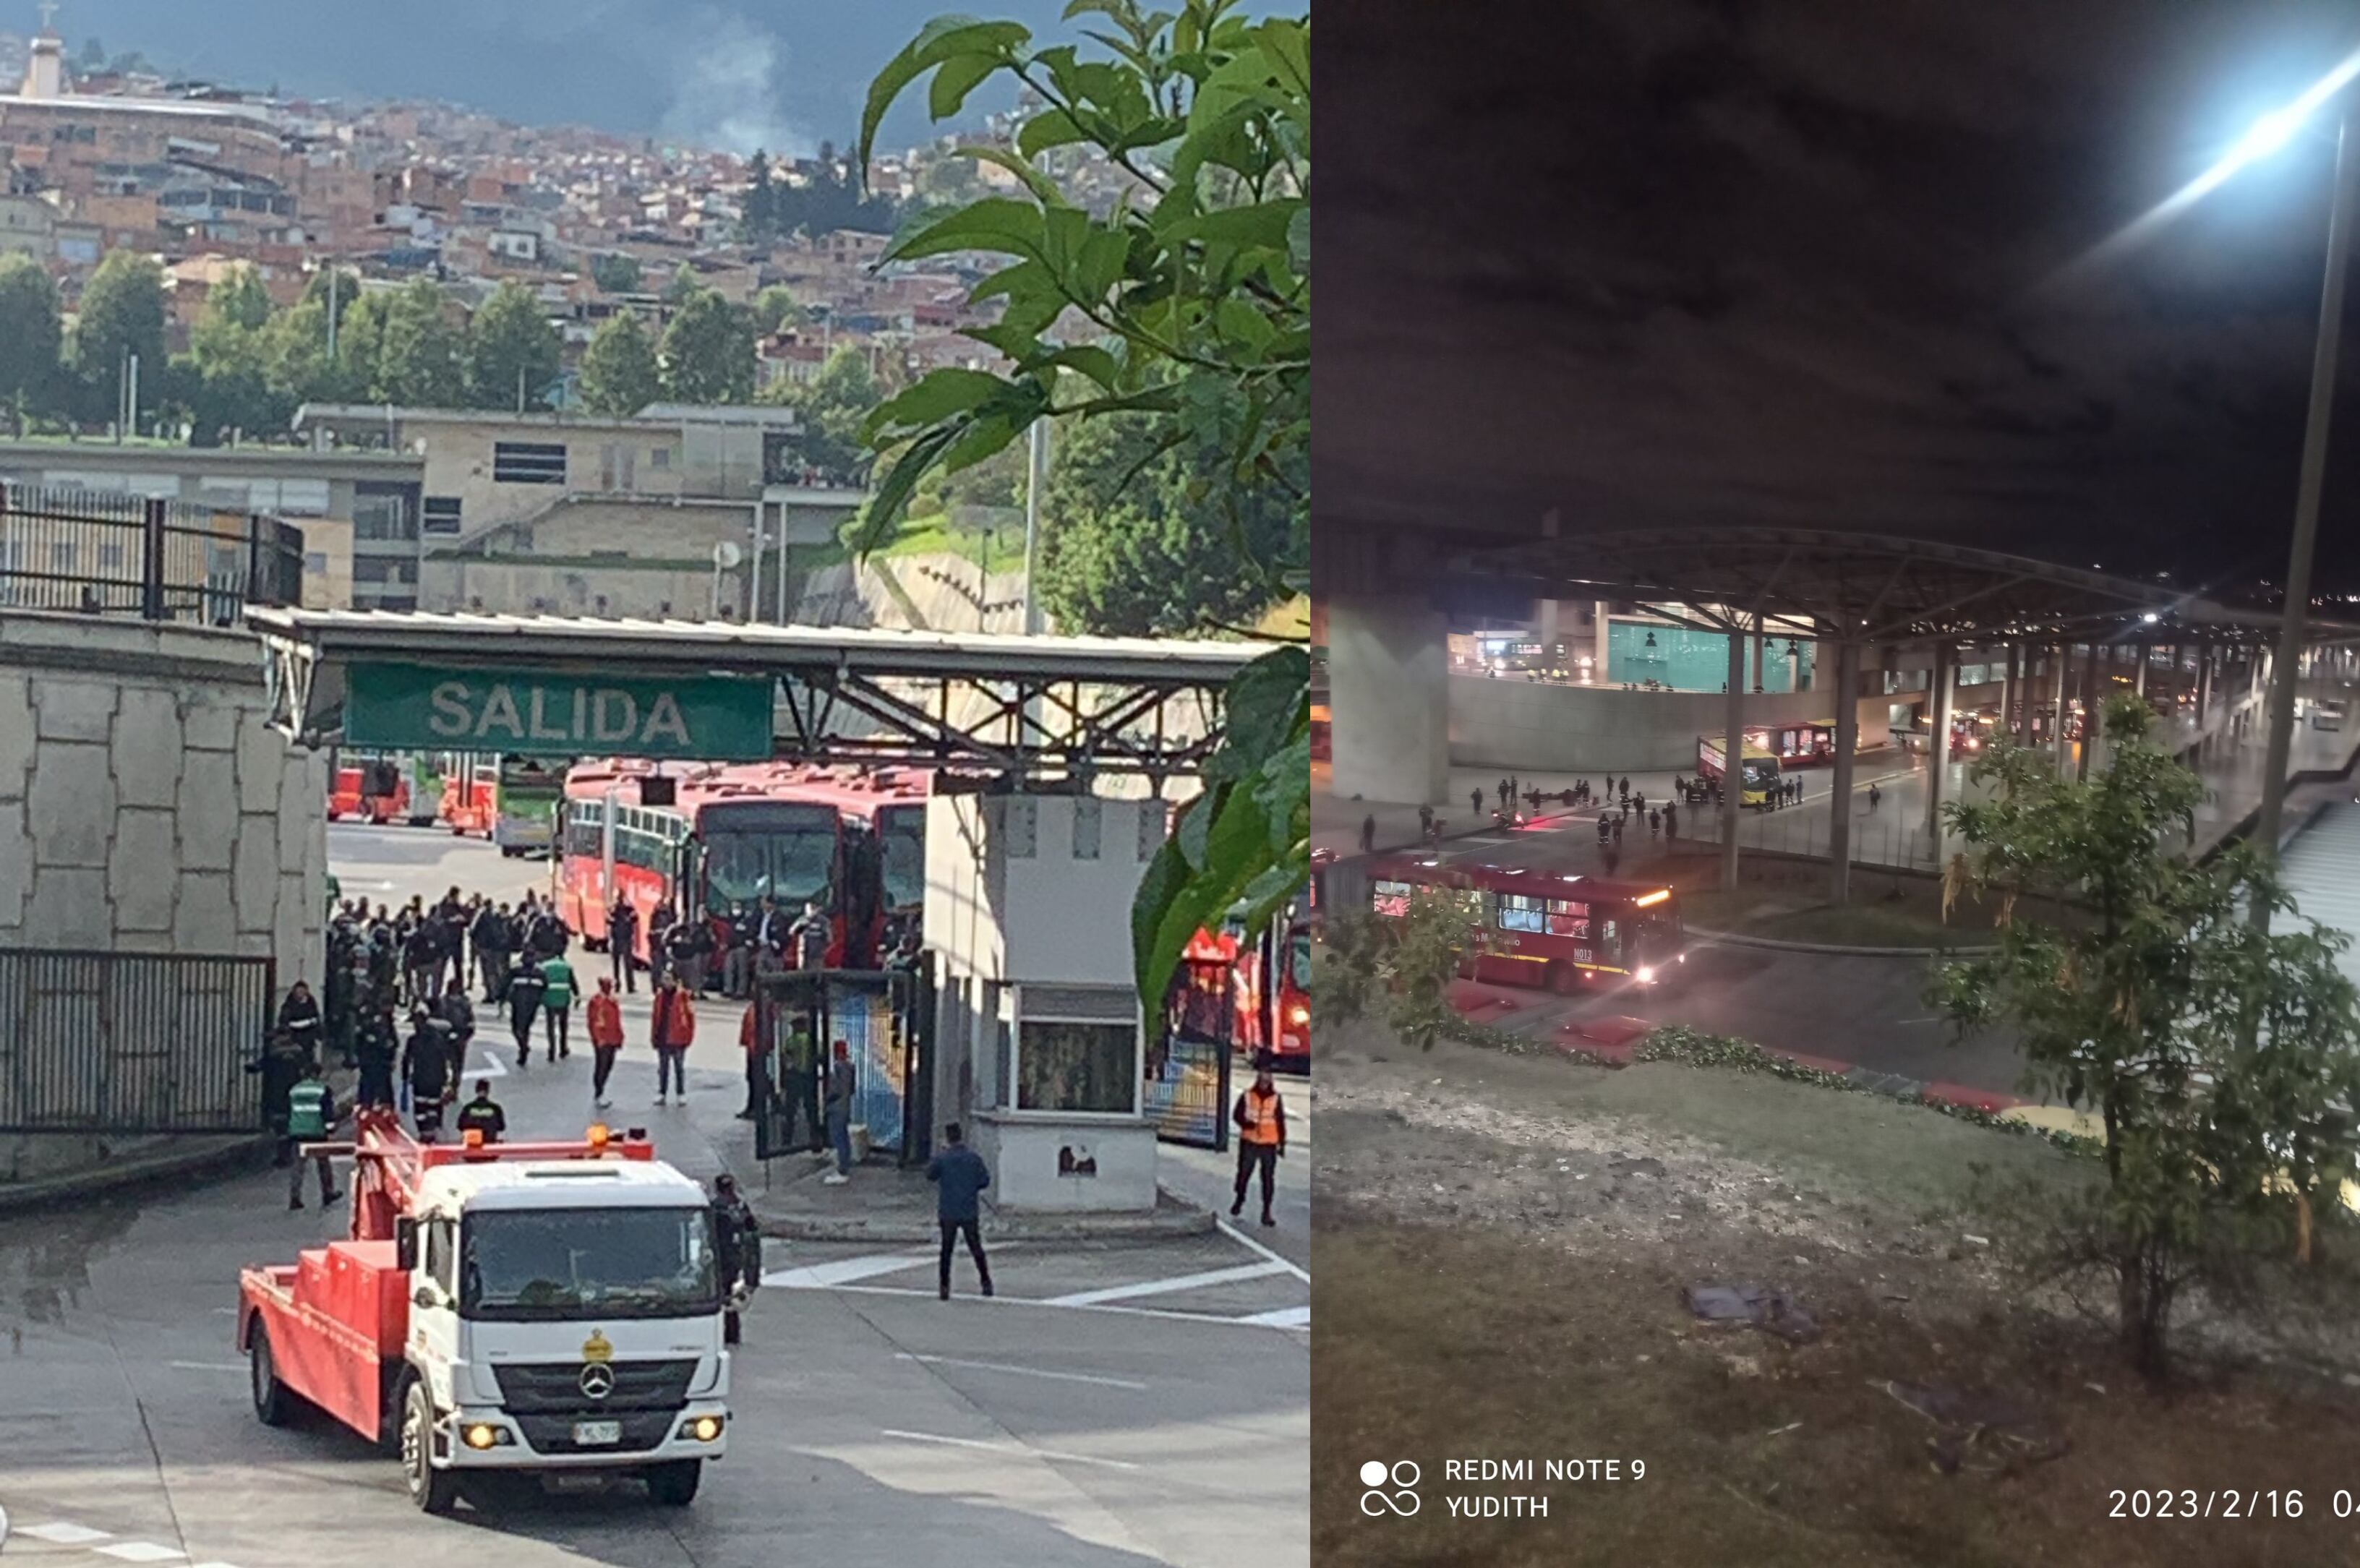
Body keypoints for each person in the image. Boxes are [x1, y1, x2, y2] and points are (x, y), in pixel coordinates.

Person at [925, 1121, 995, 1301]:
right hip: (969, 1209)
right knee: (976, 1248)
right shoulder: (973, 1158)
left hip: (948, 1210)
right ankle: (986, 1282)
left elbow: (930, 1175)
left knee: (946, 1250)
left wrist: (939, 1154)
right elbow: (985, 1181)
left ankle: (944, 1287)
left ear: (948, 1138)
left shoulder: (943, 1158)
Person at [1231, 1057, 1288, 1227]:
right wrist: (1247, 1124)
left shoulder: (1276, 1099)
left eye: (1267, 1079)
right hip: (1249, 1141)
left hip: (1269, 1144)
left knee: (1268, 1179)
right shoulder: (1247, 1096)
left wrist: (1282, 1144)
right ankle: (1240, 1199)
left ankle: (1267, 1212)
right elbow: (1237, 1115)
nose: (1265, 1082)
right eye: (1262, 1079)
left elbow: (1280, 1121)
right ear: (1258, 1079)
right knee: (1243, 1175)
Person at [709, 1173, 761, 1345]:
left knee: (721, 1297)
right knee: (733, 1297)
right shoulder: (740, 1205)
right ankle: (733, 1334)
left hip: (722, 1257)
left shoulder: (715, 1207)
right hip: (739, 1257)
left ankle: (723, 1334)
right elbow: (752, 1229)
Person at [283, 1060, 342, 1210]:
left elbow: (289, 1111)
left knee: (297, 1166)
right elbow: (327, 1112)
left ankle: (295, 1197)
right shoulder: (322, 1089)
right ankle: (327, 1193)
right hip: (316, 1132)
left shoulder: (294, 1090)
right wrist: (330, 1130)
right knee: (323, 1164)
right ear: (317, 1074)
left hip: (297, 1132)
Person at [403, 1003, 453, 1141]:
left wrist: (405, 1078)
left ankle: (425, 1133)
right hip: (434, 1081)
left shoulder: (414, 1041)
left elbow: (406, 1061)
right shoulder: (439, 1039)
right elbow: (447, 1060)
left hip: (423, 1081)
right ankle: (430, 1133)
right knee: (431, 1108)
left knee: (423, 1109)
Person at [651, 970, 696, 1105]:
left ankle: (681, 1092)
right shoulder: (659, 996)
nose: (666, 982)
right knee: (663, 1067)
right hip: (663, 1036)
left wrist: (688, 1036)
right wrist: (654, 1036)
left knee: (679, 1067)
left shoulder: (683, 996)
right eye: (664, 979)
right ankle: (662, 1092)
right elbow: (655, 1017)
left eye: (668, 979)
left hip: (678, 1037)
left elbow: (690, 1018)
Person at [587, 976, 625, 1108]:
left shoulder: (612, 1001)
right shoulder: (597, 1002)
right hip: (603, 1039)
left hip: (612, 1038)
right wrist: (598, 1038)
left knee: (609, 1065)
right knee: (601, 1066)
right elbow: (593, 1022)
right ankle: (599, 1092)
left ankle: (600, 1090)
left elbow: (617, 1021)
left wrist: (620, 1037)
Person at [823, 1040, 856, 1184]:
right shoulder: (851, 1067)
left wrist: (826, 1099)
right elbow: (851, 1089)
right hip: (846, 1105)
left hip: (836, 1106)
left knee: (838, 1137)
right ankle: (845, 1164)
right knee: (844, 1137)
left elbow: (835, 1089)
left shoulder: (838, 1068)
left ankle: (842, 1168)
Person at [506, 956, 546, 1070]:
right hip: (533, 1004)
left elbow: (505, 984)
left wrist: (501, 997)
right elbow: (545, 986)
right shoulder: (540, 973)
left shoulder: (516, 971)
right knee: (526, 1027)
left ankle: (523, 1046)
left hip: (518, 1003)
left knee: (516, 1028)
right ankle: (524, 1046)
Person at [539, 948, 578, 1063]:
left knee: (550, 1026)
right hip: (563, 999)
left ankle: (551, 1052)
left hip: (550, 999)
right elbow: (573, 983)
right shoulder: (567, 966)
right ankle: (563, 1049)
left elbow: (542, 983)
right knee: (563, 1026)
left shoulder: (544, 966)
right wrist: (577, 998)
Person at [275, 980, 322, 1067]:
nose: (300, 994)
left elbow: (316, 1019)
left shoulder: (311, 1004)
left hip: (309, 1039)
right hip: (294, 1038)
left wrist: (318, 1034)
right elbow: (285, 1022)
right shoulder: (288, 1005)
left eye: (302, 991)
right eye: (298, 992)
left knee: (308, 1059)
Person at [738, 997, 769, 1121]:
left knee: (757, 1080)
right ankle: (752, 1107)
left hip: (758, 1049)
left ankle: (757, 1108)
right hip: (753, 1049)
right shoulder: (754, 1008)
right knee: (751, 1078)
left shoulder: (763, 1009)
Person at [455, 1079, 506, 1143]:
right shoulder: (495, 1108)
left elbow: (460, 1126)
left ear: (476, 1090)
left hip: (472, 1144)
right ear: (488, 1091)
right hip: (489, 1144)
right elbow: (502, 1127)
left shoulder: (468, 1108)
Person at [607, 898, 640, 993]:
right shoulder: (615, 910)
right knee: (622, 965)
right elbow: (608, 919)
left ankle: (627, 986)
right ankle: (623, 986)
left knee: (624, 965)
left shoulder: (628, 909)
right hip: (620, 939)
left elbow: (635, 918)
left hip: (623, 939)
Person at [790, 900, 831, 972]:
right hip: (803, 953)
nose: (809, 911)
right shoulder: (802, 920)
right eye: (807, 909)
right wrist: (801, 925)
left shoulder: (823, 921)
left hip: (817, 954)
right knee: (802, 974)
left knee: (817, 974)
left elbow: (829, 937)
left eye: (811, 909)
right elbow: (792, 932)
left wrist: (822, 947)